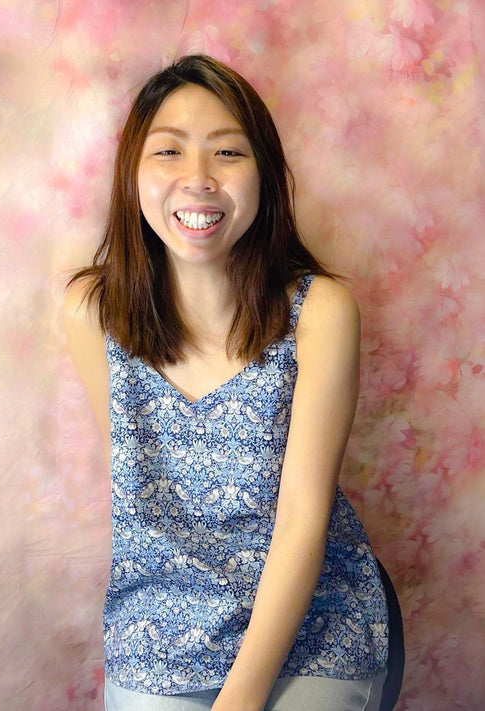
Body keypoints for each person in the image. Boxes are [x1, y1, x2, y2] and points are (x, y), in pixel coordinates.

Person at [64, 54, 388, 711]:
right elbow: (142, 501)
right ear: (131, 174)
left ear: (263, 173)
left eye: (228, 152)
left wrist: (240, 697)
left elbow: (302, 523)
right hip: (159, 629)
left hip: (313, 623)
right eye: (168, 151)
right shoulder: (92, 312)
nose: (198, 179)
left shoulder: (320, 312)